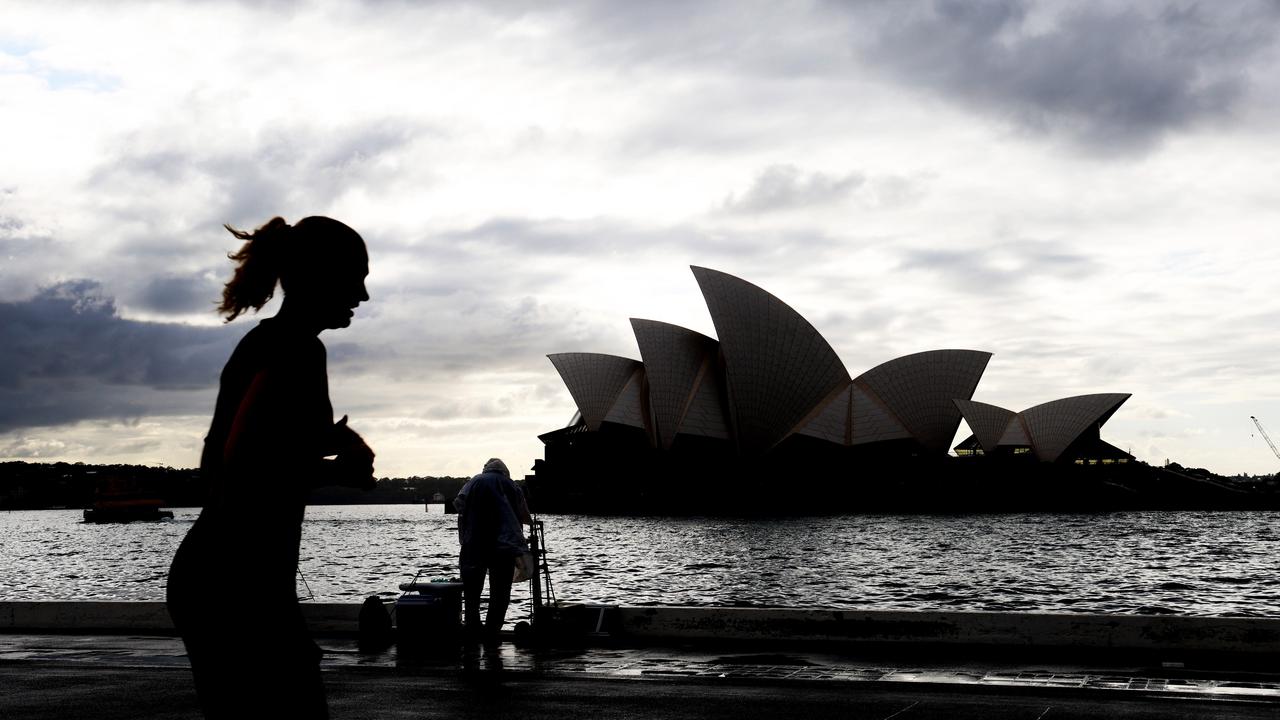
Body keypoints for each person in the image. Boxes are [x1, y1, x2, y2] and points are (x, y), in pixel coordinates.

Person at [166, 216, 375, 719]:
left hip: (224, 576)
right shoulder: (296, 349)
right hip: (236, 584)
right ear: (317, 276)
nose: (363, 295)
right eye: (356, 277)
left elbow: (229, 456)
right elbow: (243, 471)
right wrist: (337, 470)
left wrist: (328, 444)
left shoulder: (270, 346)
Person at [454, 458, 533, 646]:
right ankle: (492, 633)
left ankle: (473, 630)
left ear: (486, 469)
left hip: (475, 544)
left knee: (472, 592)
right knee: (500, 592)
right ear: (504, 471)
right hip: (504, 547)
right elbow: (524, 515)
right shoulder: (512, 485)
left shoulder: (474, 481)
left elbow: (459, 504)